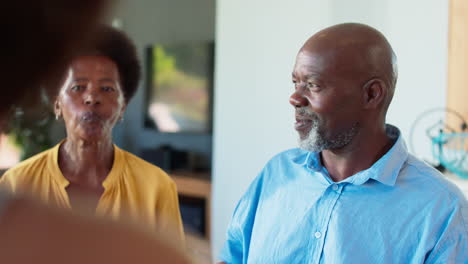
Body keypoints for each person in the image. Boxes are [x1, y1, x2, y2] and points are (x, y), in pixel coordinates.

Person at [219, 23, 468, 263]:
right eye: (295, 82)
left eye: (313, 85)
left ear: (371, 94)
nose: (294, 98)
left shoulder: (442, 208)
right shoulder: (276, 174)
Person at [0, 1, 189, 263]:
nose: (92, 98)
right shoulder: (18, 181)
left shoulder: (157, 186)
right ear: (57, 103)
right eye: (78, 87)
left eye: (107, 89)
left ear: (123, 107)